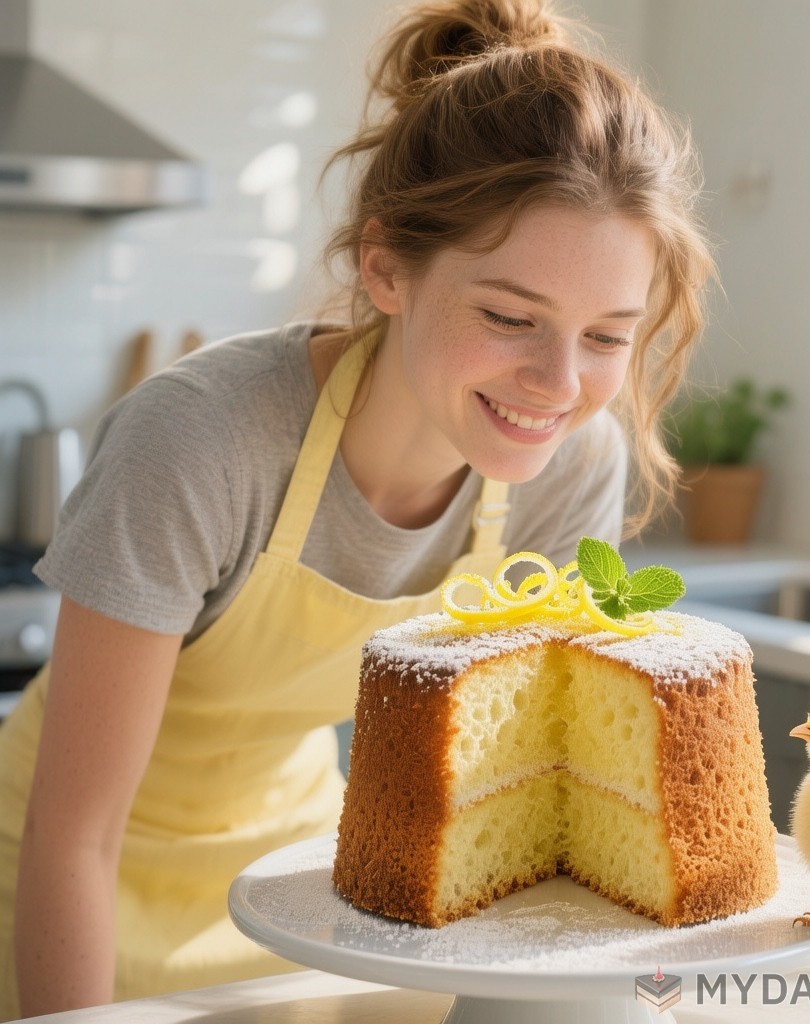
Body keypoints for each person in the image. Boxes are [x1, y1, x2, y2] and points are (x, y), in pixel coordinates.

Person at [0, 0, 713, 1016]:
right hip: (64, 882)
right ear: (384, 268)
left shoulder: (567, 466)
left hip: (303, 879)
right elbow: (75, 833)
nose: (557, 382)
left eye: (607, 335)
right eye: (509, 316)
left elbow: (507, 800)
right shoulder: (204, 442)